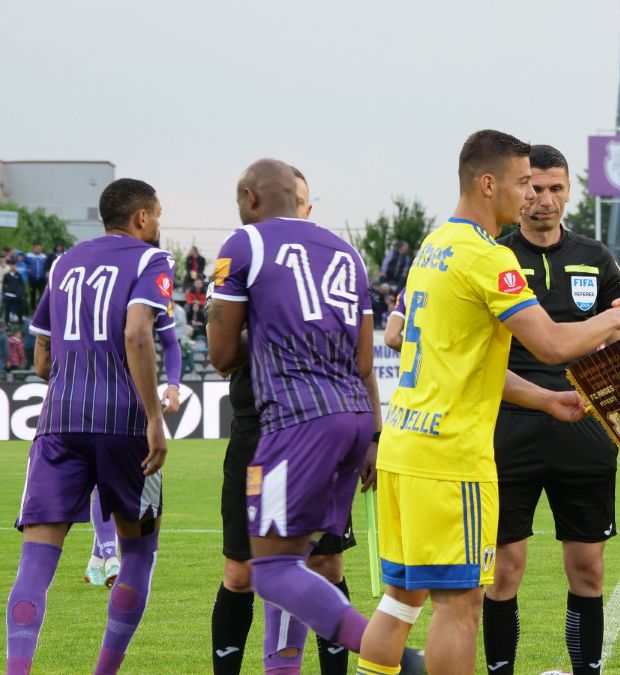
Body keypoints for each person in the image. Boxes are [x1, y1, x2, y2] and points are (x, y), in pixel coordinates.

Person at [356, 130, 620, 675]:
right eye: (524, 182)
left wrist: (545, 399)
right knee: (460, 606)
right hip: (452, 458)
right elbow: (552, 344)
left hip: (406, 448)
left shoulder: (434, 246)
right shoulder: (488, 257)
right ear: (488, 184)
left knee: (401, 602)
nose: (530, 195)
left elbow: (471, 361)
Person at [207, 159, 380, 674]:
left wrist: (270, 329)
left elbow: (221, 356)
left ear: (250, 197)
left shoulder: (244, 244)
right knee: (275, 567)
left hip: (291, 423)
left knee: (279, 569)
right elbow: (363, 360)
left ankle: (390, 653)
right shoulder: (347, 252)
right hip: (344, 418)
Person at [7, 178, 172, 674]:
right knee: (137, 553)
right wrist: (154, 417)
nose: (158, 224)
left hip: (59, 422)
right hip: (125, 424)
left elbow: (41, 356)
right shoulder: (150, 260)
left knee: (35, 563)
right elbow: (138, 333)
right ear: (141, 217)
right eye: (157, 215)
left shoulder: (63, 264)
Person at [479, 144, 620, 675]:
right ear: (520, 190)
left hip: (583, 427)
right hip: (507, 424)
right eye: (535, 187)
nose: (545, 199)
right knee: (503, 571)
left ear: (569, 191)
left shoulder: (595, 256)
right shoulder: (494, 255)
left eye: (556, 188)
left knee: (588, 569)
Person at [84, 299, 183, 588]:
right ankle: (110, 557)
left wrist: (173, 385)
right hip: (96, 395)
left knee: (126, 479)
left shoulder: (151, 292)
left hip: (134, 400)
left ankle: (98, 557)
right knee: (103, 478)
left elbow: (170, 342)